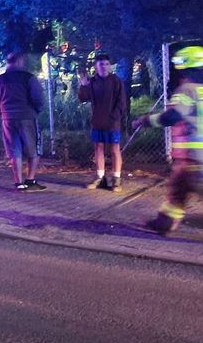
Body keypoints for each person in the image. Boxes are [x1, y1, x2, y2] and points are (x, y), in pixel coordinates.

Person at [132, 45, 203, 235]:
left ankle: (165, 222)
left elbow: (171, 117)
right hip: (194, 158)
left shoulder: (187, 90)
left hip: (193, 156)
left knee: (181, 187)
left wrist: (144, 120)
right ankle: (164, 222)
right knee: (178, 189)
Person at [0, 52, 46, 192]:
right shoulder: (28, 78)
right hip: (27, 117)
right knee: (34, 150)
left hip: (8, 119)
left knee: (15, 151)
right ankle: (30, 180)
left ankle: (18, 182)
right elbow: (38, 98)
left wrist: (3, 112)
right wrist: (36, 111)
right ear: (20, 61)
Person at [78, 54, 128, 192]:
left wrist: (115, 117)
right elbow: (83, 98)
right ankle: (100, 177)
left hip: (112, 122)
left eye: (106, 64)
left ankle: (116, 179)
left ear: (110, 65)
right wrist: (83, 86)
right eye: (101, 64)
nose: (104, 67)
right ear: (96, 66)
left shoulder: (116, 81)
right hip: (97, 122)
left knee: (114, 149)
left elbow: (122, 102)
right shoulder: (93, 82)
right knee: (98, 148)